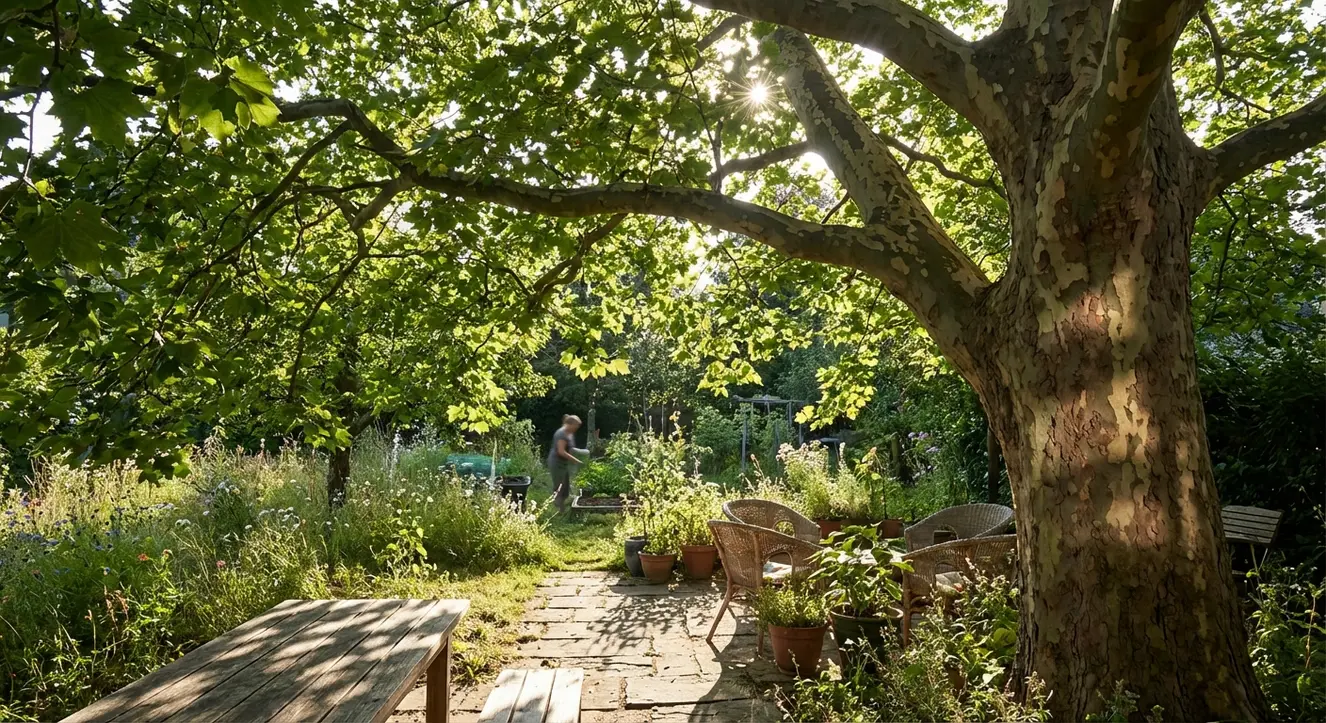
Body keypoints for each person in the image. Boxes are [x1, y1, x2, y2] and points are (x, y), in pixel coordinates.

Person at [547, 415, 587, 512]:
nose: (577, 428)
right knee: (559, 486)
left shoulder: (569, 433)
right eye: (576, 426)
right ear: (570, 424)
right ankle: (557, 511)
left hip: (563, 463)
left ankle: (561, 508)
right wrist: (576, 461)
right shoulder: (561, 434)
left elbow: (570, 448)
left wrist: (583, 452)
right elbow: (561, 451)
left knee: (565, 487)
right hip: (556, 463)